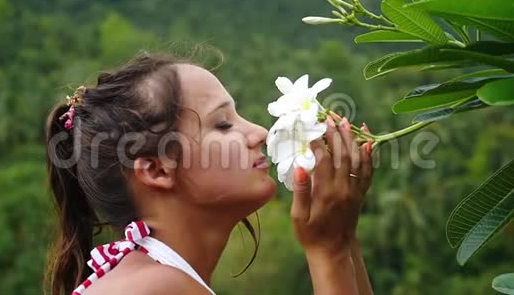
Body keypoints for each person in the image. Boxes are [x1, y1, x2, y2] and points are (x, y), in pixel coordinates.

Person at [44, 53, 374, 295]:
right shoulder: (154, 288)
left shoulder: (155, 278)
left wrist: (342, 236)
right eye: (223, 124)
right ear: (158, 169)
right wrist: (327, 250)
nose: (259, 132)